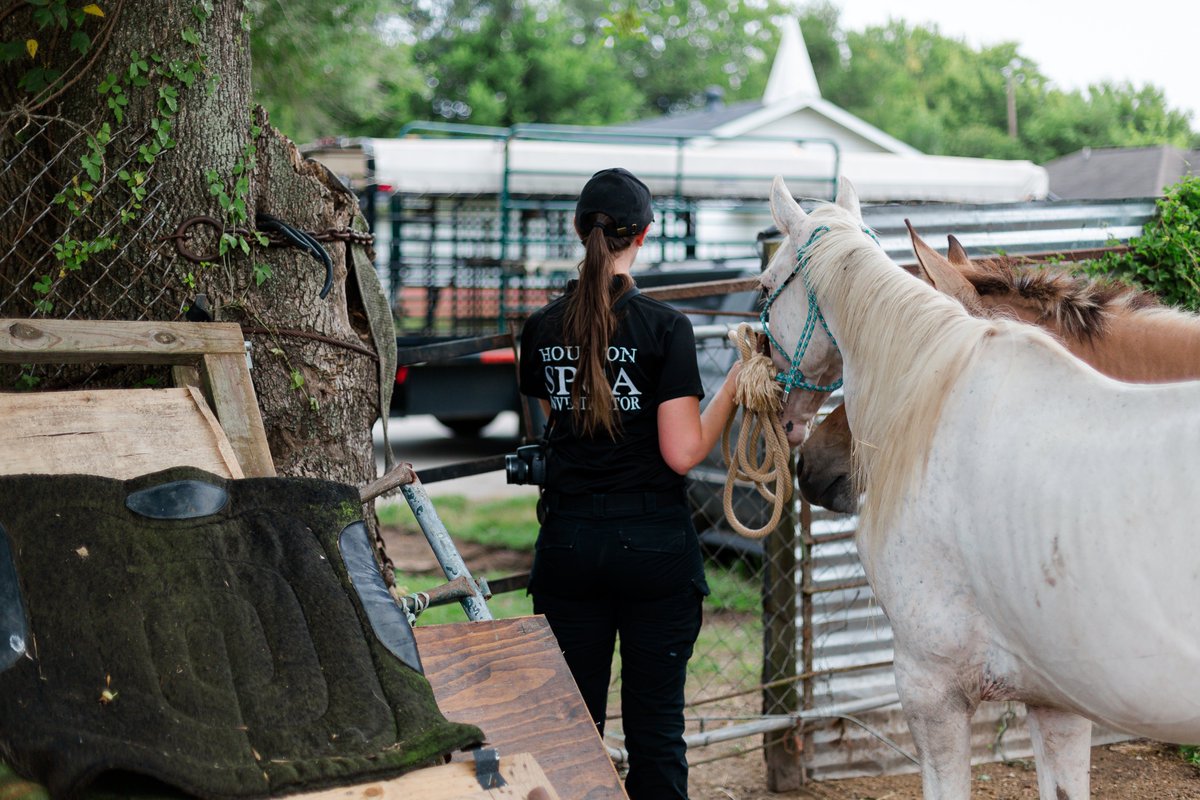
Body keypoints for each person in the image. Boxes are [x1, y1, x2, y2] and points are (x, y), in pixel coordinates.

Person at [517, 167, 742, 799]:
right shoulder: (664, 329)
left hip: (568, 546)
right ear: (644, 234)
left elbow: (553, 430)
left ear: (576, 229)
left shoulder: (540, 330)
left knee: (572, 732)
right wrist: (732, 389)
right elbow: (682, 452)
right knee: (656, 732)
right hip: (652, 548)